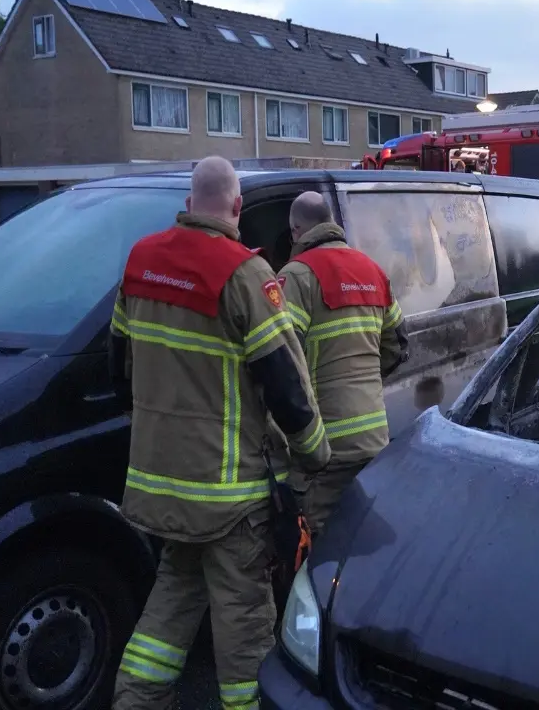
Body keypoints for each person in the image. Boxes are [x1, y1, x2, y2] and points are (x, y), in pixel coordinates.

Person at [109, 156, 331, 710]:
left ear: (188, 205)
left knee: (170, 607)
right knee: (245, 631)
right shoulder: (244, 275)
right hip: (228, 498)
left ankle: (134, 701)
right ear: (237, 208)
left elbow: (120, 370)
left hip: (162, 488)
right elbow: (286, 385)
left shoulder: (139, 263)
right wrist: (314, 455)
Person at [277, 191, 409, 535]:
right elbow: (398, 347)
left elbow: (280, 363)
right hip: (373, 439)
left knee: (321, 544)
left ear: (296, 230)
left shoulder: (296, 277)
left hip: (325, 447)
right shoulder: (373, 270)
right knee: (360, 537)